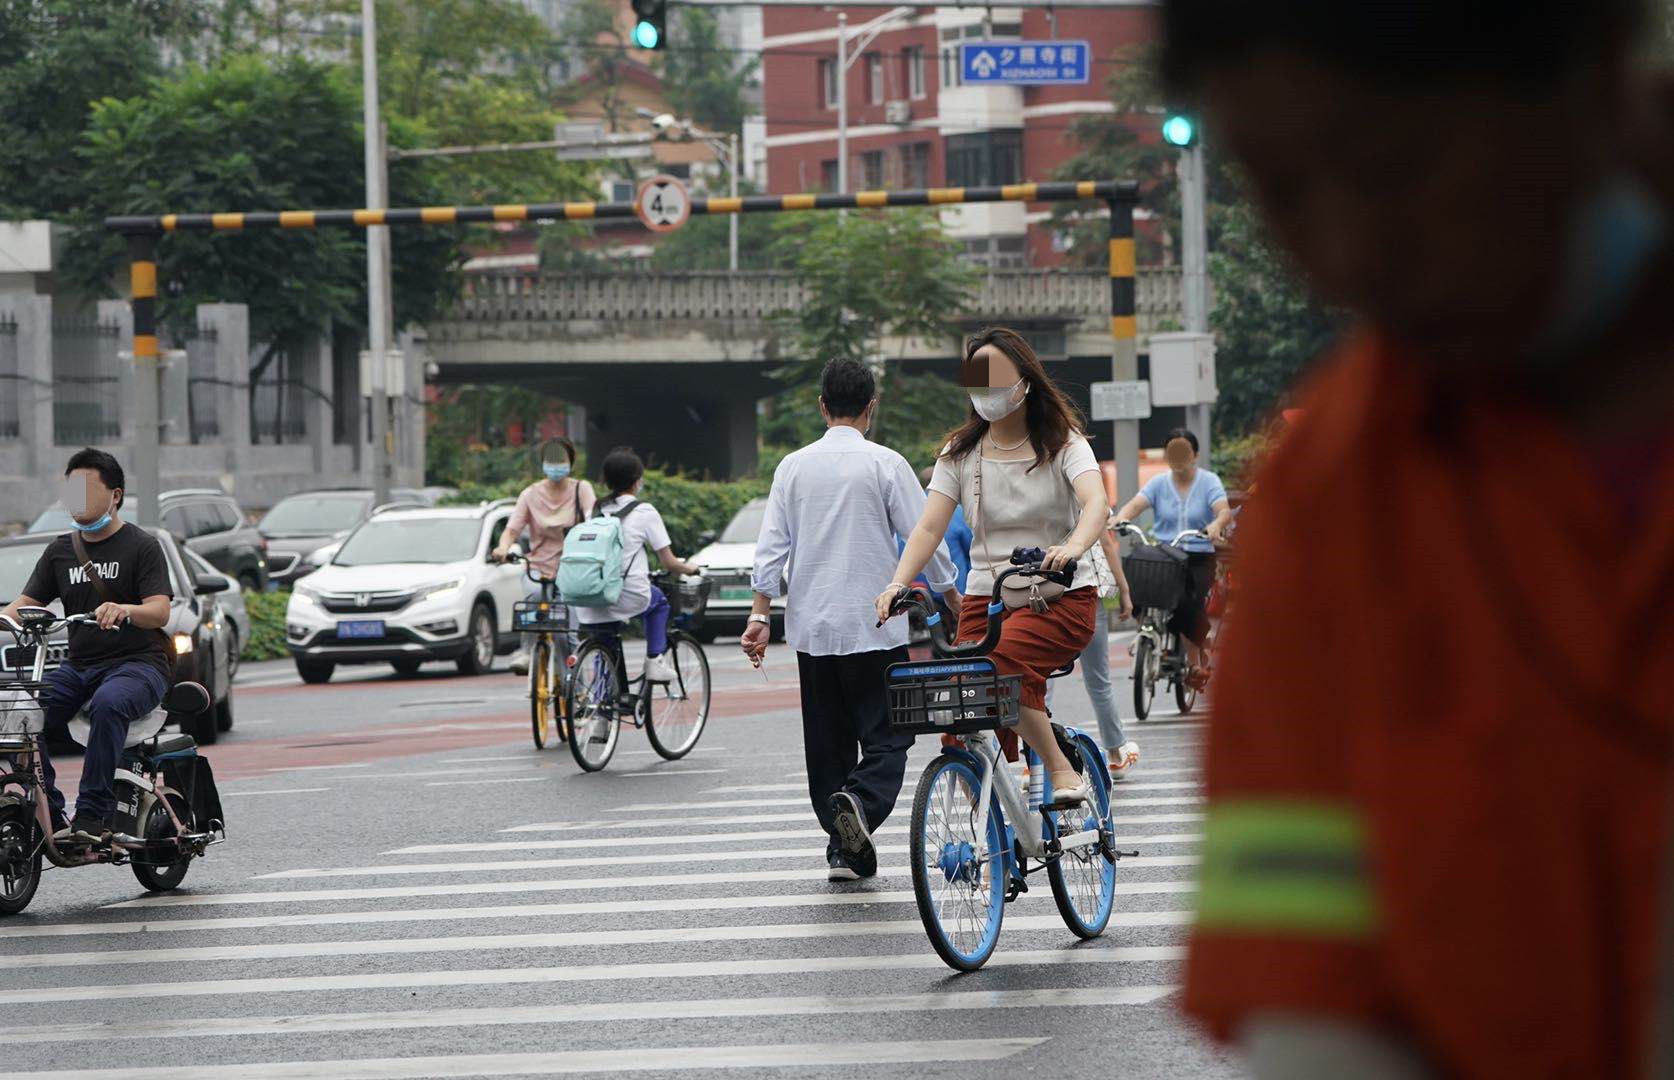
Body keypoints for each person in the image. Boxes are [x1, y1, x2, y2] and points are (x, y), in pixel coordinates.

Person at [1162, 0, 1674, 1076]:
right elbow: (1314, 997)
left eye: (1394, 168)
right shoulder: (1338, 496)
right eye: (1284, 191)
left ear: (1590, 73)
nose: (1349, 251)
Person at [742, 358, 959, 882]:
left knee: (826, 742)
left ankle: (843, 851)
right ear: (870, 408)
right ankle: (860, 804)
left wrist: (759, 613)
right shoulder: (886, 463)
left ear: (822, 406)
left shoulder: (791, 466)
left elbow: (772, 547)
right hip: (876, 626)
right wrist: (952, 595)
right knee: (889, 738)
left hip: (812, 629)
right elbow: (922, 535)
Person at [882, 326, 1110, 804]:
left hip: (1059, 596)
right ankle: (997, 832)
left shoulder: (1064, 442)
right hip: (987, 599)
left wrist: (1071, 547)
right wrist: (897, 583)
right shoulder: (960, 452)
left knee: (997, 669)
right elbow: (927, 529)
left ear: (1025, 380)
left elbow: (1095, 504)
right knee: (961, 712)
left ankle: (1059, 767)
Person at [0, 449, 173, 843]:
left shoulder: (142, 546)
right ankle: (53, 814)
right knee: (19, 713)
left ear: (115, 495)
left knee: (108, 703)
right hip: (80, 667)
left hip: (140, 664)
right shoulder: (60, 550)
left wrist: (124, 609)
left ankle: (93, 815)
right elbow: (24, 605)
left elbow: (160, 611)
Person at [1112, 427, 1231, 688]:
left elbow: (1223, 511)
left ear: (1195, 455)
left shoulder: (1209, 481)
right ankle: (1143, 631)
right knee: (1139, 579)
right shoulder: (1158, 483)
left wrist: (1215, 525)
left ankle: (1193, 663)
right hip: (1165, 555)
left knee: (1188, 602)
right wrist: (1121, 518)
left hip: (1197, 555)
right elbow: (1136, 504)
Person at [573, 448, 698, 685]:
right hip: (627, 593)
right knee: (659, 602)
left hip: (591, 596)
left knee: (605, 647)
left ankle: (600, 712)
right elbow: (668, 562)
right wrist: (690, 568)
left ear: (606, 481)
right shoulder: (644, 512)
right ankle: (655, 661)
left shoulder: (594, 511)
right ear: (636, 480)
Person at [492, 438, 597, 674]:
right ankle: (528, 651)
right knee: (534, 594)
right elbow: (512, 529)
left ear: (571, 462)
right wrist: (503, 548)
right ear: (543, 463)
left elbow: (594, 520)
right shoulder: (530, 494)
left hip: (572, 568)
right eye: (551, 460)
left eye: (561, 460)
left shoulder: (582, 489)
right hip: (538, 565)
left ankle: (575, 691)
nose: (556, 465)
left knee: (568, 632)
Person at [1051, 522, 1140, 779]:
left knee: (1041, 680)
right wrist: (1124, 590)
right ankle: (1115, 755)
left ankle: (1034, 762)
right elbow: (1106, 544)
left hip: (1046, 590)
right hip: (1087, 593)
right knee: (1099, 680)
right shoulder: (1087, 487)